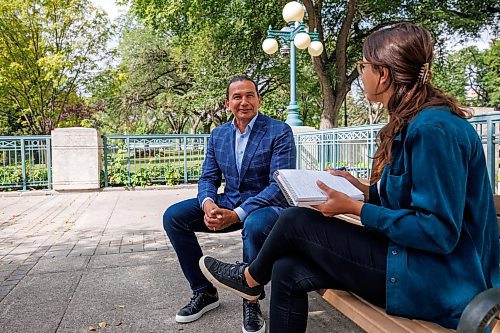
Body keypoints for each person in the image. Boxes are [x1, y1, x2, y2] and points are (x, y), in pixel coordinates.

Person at [199, 23, 500, 332]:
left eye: (364, 66)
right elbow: (414, 198)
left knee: (295, 221)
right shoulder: (416, 121)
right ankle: (251, 278)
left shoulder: (433, 130)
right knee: (287, 268)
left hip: (439, 279)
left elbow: (437, 231)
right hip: (411, 259)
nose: (362, 74)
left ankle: (249, 278)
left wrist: (355, 208)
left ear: (383, 74)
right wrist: (364, 191)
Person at [163, 75, 296, 333]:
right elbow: (208, 176)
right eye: (237, 97)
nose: (243, 102)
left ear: (259, 100)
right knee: (174, 217)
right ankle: (204, 292)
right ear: (227, 103)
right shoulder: (218, 135)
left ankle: (251, 299)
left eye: (249, 95)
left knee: (255, 223)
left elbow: (279, 184)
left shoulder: (279, 131)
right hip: (229, 199)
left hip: (267, 207)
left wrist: (237, 214)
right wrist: (208, 203)